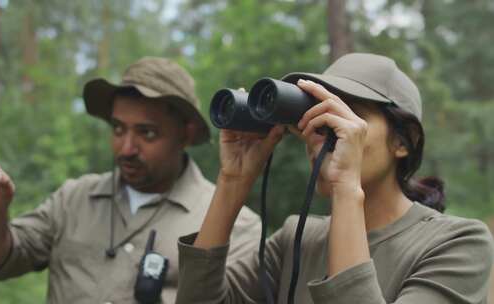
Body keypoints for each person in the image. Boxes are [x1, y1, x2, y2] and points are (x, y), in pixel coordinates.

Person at [175, 53, 494, 303]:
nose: (320, 134)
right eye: (313, 116)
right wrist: (233, 180)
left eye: (344, 117)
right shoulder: (296, 239)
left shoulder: (458, 244)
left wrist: (346, 187)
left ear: (403, 140)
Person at [0, 57, 261, 303]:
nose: (126, 148)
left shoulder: (236, 225)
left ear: (187, 133)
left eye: (147, 132)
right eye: (117, 129)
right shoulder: (73, 199)